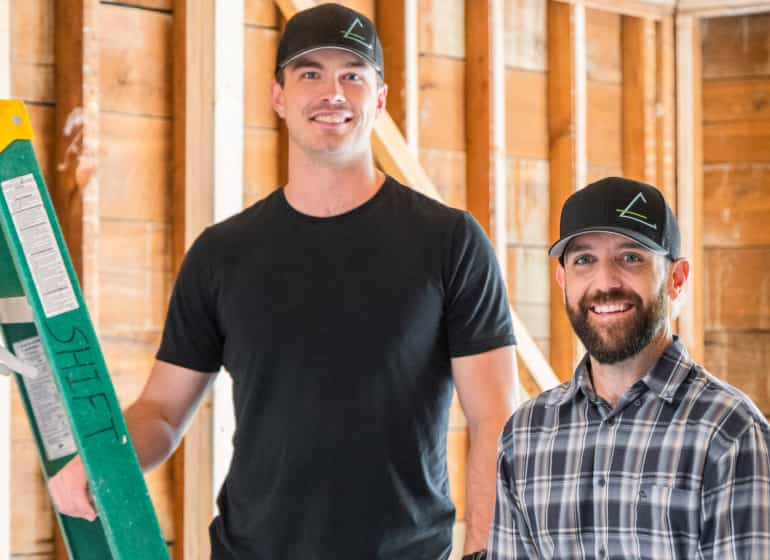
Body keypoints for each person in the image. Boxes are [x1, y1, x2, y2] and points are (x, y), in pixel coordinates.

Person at [48, 4, 516, 559]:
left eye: (353, 75)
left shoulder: (450, 243)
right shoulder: (223, 254)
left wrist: (487, 550)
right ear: (278, 96)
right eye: (310, 73)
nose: (332, 92)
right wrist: (104, 461)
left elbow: (494, 418)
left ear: (380, 98)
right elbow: (163, 411)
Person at [488, 177, 770, 559]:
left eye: (631, 257)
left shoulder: (728, 432)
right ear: (563, 281)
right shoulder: (525, 437)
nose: (605, 282)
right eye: (584, 260)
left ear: (676, 278)